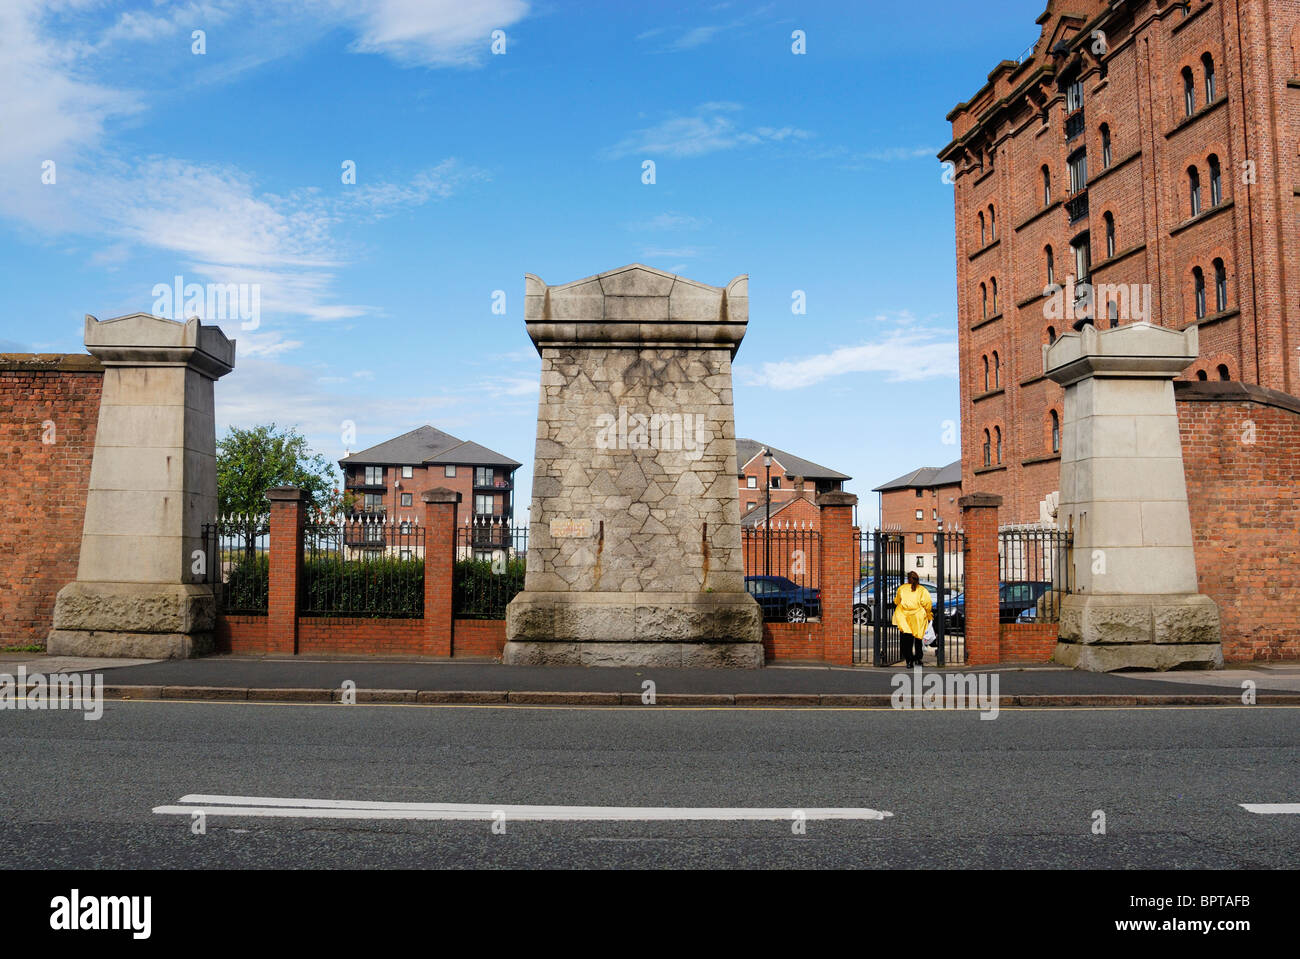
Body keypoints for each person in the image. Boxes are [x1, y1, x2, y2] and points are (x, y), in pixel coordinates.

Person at [892, 571, 933, 668]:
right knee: (918, 639)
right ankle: (918, 659)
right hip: (918, 616)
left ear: (908, 579)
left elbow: (897, 601)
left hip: (904, 616)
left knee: (907, 640)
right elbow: (927, 604)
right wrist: (928, 614)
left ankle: (909, 661)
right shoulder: (922, 590)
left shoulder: (902, 588)